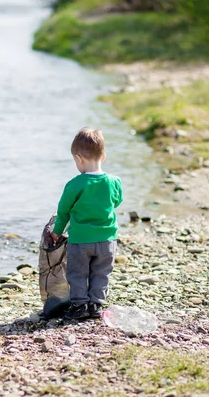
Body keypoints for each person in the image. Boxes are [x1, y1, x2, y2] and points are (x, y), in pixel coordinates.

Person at [51, 127, 123, 320]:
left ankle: (80, 304)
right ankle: (96, 304)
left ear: (79, 159)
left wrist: (57, 231)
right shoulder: (114, 182)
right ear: (104, 156)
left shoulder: (75, 184)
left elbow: (63, 212)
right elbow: (117, 202)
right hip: (107, 240)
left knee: (78, 273)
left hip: (80, 241)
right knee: (101, 272)